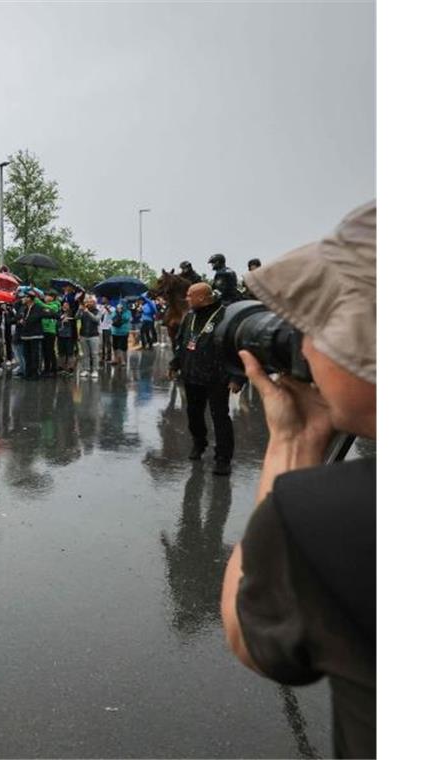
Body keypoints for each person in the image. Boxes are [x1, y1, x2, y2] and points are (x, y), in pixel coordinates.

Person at [221, 201, 375, 758]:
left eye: (320, 324)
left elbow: (250, 630)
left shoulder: (336, 518)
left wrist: (293, 440)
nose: (304, 346)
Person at [168, 283, 243, 475]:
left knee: (220, 417)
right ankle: (199, 443)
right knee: (194, 415)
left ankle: (223, 458)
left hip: (217, 376)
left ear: (202, 297)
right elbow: (181, 343)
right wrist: (174, 364)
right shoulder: (190, 317)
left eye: (190, 295)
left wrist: (237, 377)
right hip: (192, 374)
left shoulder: (225, 316)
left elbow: (237, 347)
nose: (187, 299)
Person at [17, 291, 45, 380]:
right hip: (25, 334)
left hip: (35, 334)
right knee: (26, 354)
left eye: (25, 297)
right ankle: (27, 372)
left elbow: (35, 318)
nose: (23, 299)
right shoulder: (25, 308)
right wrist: (20, 320)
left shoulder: (37, 307)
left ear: (30, 298)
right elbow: (18, 316)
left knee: (34, 355)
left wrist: (25, 320)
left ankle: (35, 373)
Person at [77, 296, 100, 378]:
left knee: (94, 354)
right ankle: (86, 369)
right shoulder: (83, 310)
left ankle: (95, 370)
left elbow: (96, 320)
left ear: (94, 303)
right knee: (85, 354)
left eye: (91, 302)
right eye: (87, 302)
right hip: (83, 334)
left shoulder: (97, 311)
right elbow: (77, 317)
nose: (89, 303)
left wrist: (87, 312)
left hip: (94, 335)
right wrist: (80, 309)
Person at [40, 292, 59, 376]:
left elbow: (47, 308)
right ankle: (46, 369)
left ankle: (53, 369)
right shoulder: (44, 305)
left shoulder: (55, 305)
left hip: (50, 331)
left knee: (50, 350)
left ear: (53, 297)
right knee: (44, 351)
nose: (46, 297)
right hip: (43, 330)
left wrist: (37, 301)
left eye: (48, 296)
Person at [109, 298, 131, 366]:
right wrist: (117, 312)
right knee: (115, 346)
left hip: (123, 332)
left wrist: (121, 313)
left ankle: (123, 360)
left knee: (122, 346)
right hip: (115, 331)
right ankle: (115, 359)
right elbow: (112, 317)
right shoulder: (115, 311)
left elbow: (126, 318)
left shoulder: (127, 311)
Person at [56, 300, 76, 374]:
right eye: (64, 305)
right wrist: (61, 320)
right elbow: (56, 322)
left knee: (70, 352)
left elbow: (75, 320)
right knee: (61, 351)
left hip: (69, 335)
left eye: (67, 305)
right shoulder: (59, 313)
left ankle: (70, 367)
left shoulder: (72, 313)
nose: (65, 307)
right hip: (60, 335)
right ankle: (61, 366)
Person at [98, 296, 114, 365]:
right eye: (102, 298)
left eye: (104, 298)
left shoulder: (112, 308)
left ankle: (109, 357)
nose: (102, 299)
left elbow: (112, 314)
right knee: (102, 343)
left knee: (108, 343)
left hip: (108, 327)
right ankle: (102, 357)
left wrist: (107, 308)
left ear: (107, 300)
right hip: (101, 327)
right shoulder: (100, 307)